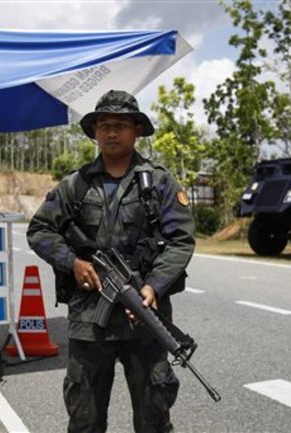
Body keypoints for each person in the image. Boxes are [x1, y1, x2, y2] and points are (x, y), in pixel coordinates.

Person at [27, 89, 195, 433]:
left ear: (136, 131)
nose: (112, 132)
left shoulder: (159, 182)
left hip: (145, 317)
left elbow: (181, 241)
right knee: (85, 419)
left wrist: (153, 286)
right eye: (104, 125)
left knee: (154, 418)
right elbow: (40, 229)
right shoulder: (76, 184)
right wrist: (72, 261)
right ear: (95, 133)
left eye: (120, 125)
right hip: (89, 320)